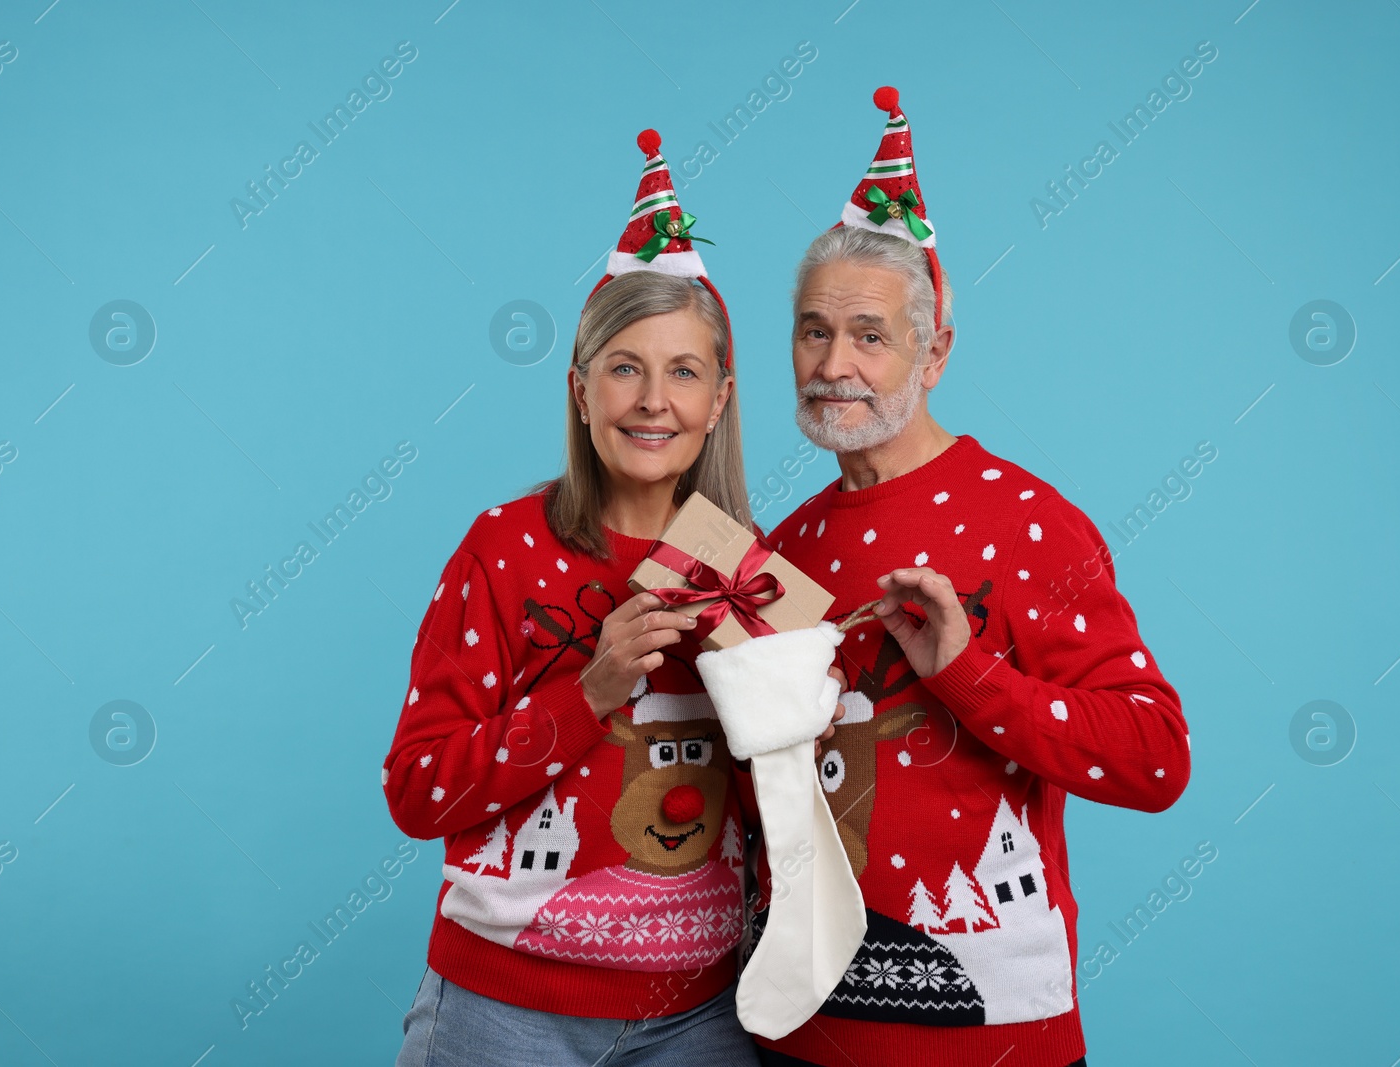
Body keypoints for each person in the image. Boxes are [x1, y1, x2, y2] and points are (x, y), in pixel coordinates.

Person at [747, 89, 1191, 1067]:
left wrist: (967, 668)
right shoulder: (785, 546)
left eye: (869, 334)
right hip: (795, 1029)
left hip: (986, 1033)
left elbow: (1156, 757)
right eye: (811, 331)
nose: (833, 363)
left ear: (935, 351)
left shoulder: (1030, 522)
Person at [382, 130, 764, 1067]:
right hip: (501, 1009)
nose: (652, 399)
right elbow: (418, 787)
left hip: (701, 1013)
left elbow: (800, 792)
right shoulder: (503, 546)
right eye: (625, 367)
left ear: (719, 399)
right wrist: (588, 693)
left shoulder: (751, 566)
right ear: (580, 390)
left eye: (683, 371)